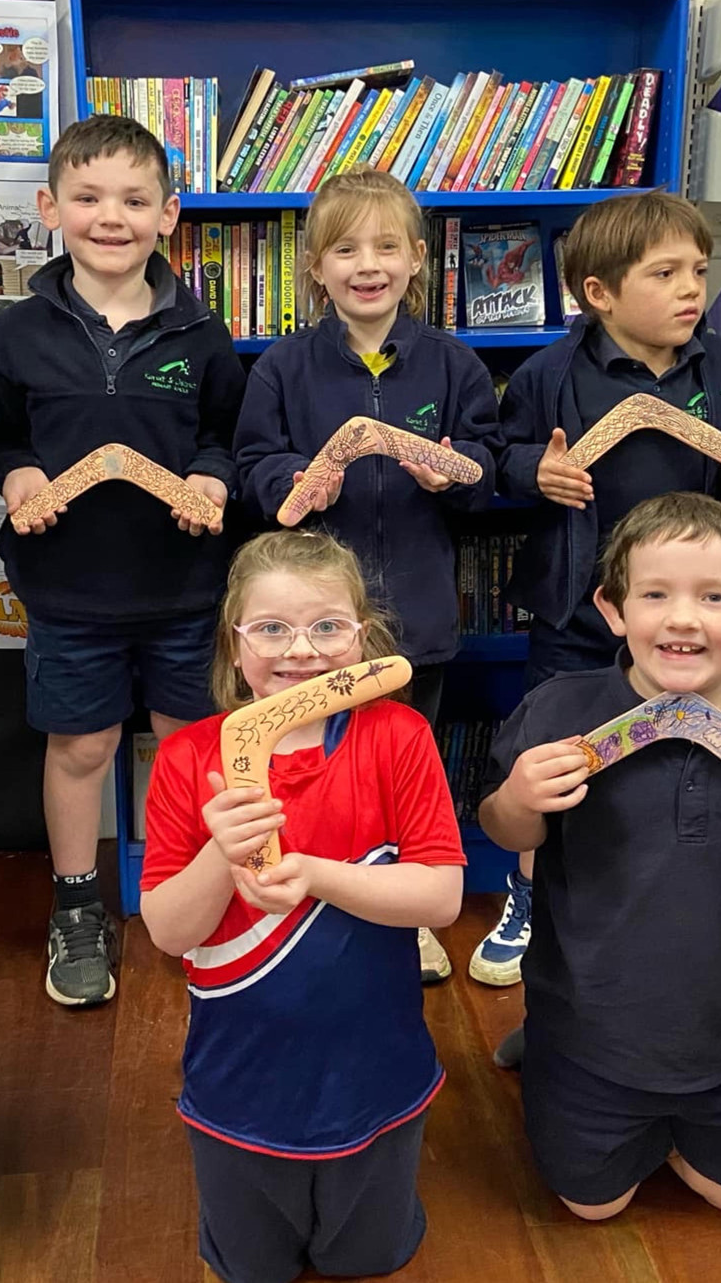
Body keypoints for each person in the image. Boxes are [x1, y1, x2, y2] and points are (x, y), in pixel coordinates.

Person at [478, 492, 721, 1220]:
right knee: (593, 1206)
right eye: (656, 594)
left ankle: (675, 1124)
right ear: (614, 609)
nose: (683, 617)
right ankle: (546, 1050)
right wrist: (521, 799)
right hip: (587, 1018)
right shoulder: (560, 705)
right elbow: (507, 833)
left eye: (714, 596)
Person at [138, 530, 464, 1283]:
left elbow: (442, 895)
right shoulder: (190, 756)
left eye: (327, 627)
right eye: (273, 629)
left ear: (363, 636)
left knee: (367, 1256)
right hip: (239, 1088)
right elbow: (169, 930)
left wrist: (314, 872)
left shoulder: (399, 736)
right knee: (253, 1266)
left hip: (377, 1077)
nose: (302, 651)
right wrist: (223, 850)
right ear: (235, 641)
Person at [0, 113, 243, 1008]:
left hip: (185, 584)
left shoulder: (203, 333)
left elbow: (224, 434)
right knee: (82, 744)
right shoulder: (17, 334)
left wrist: (208, 478)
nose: (111, 216)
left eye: (135, 199)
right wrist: (16, 478)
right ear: (52, 208)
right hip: (68, 587)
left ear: (170, 212)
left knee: (186, 743)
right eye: (88, 198)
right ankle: (78, 903)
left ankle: (186, 888)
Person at [482, 191, 721, 988]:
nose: (692, 288)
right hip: (579, 605)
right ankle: (528, 891)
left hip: (684, 611)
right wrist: (532, 471)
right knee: (557, 753)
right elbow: (501, 458)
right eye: (666, 273)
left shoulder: (715, 362)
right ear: (600, 293)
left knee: (678, 750)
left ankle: (667, 889)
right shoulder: (550, 371)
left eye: (699, 271)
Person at [233, 167, 501, 985]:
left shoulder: (452, 364)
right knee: (319, 764)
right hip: (313, 628)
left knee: (402, 762)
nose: (367, 264)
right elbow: (253, 465)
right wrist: (292, 485)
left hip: (414, 617)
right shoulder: (283, 367)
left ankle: (407, 910)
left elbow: (488, 468)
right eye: (345, 249)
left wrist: (457, 473)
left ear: (419, 259)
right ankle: (312, 888)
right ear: (316, 266)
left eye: (387, 246)